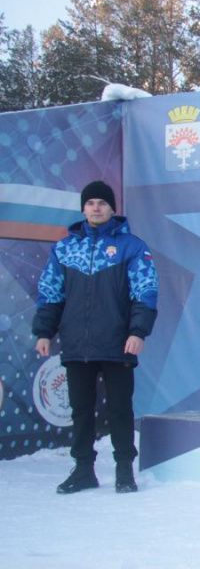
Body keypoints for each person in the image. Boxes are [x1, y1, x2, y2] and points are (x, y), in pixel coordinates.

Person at [33, 180, 159, 493]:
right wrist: (44, 331)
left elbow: (145, 290)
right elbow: (51, 292)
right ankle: (83, 470)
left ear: (112, 208)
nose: (96, 208)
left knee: (120, 408)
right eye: (90, 203)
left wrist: (138, 331)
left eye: (102, 203)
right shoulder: (65, 248)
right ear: (83, 208)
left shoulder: (132, 246)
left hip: (118, 342)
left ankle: (124, 470)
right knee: (80, 410)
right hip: (77, 343)